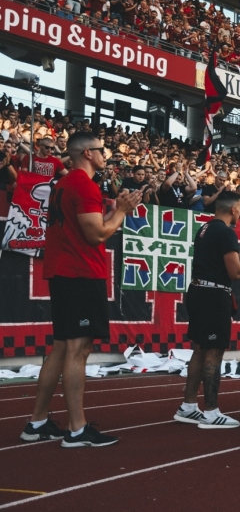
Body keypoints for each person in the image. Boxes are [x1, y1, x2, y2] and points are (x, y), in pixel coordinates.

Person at [21, 132, 142, 447]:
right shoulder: (83, 185)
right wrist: (122, 211)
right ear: (88, 154)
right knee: (78, 350)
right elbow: (97, 234)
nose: (106, 155)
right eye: (102, 150)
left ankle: (36, 422)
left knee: (61, 348)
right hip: (80, 273)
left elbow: (85, 226)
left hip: (64, 272)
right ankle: (77, 429)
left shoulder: (63, 185)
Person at [174, 191, 240, 429]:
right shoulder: (226, 232)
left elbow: (218, 261)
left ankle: (188, 406)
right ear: (233, 209)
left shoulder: (205, 229)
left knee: (199, 350)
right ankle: (211, 412)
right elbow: (236, 273)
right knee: (213, 353)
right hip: (213, 296)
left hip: (198, 291)